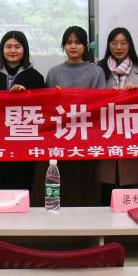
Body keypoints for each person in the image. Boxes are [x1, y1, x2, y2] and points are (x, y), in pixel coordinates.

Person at [45, 26, 104, 205]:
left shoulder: (96, 72)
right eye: (69, 42)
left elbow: (101, 103)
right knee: (62, 181)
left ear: (85, 46)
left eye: (78, 42)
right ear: (63, 46)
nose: (73, 46)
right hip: (61, 136)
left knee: (88, 182)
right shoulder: (54, 72)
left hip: (88, 136)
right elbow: (46, 107)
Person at [0, 30, 45, 193]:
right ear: (2, 49)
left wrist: (28, 94)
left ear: (25, 50)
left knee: (21, 186)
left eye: (17, 47)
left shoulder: (36, 77)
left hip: (24, 141)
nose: (12, 50)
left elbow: (43, 108)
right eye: (8, 46)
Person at [96, 27, 138, 204]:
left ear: (130, 45)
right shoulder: (97, 70)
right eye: (114, 43)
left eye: (123, 43)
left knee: (129, 183)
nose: (119, 47)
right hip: (106, 132)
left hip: (131, 133)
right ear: (108, 45)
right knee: (107, 185)